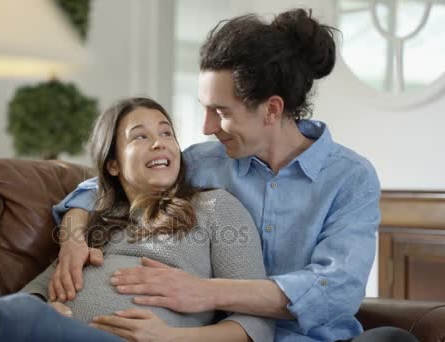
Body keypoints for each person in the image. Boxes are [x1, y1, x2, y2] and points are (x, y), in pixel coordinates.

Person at [49, 9, 418, 342]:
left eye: (220, 111)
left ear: (271, 109)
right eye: (204, 109)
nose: (207, 127)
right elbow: (109, 180)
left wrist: (206, 291)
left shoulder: (350, 178)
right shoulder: (204, 161)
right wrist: (73, 235)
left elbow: (337, 287)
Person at [0, 97, 274, 342]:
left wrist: (170, 338)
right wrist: (45, 307)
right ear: (113, 165)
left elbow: (256, 325)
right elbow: (35, 291)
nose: (160, 141)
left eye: (166, 132)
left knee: (16, 319)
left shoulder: (215, 207)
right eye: (140, 135)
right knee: (21, 314)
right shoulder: (96, 225)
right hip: (51, 334)